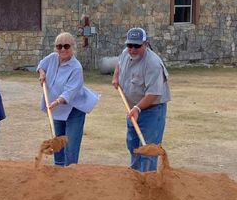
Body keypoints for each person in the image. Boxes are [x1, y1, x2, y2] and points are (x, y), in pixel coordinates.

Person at [112, 27, 171, 172]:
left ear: (145, 44)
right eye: (129, 45)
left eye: (137, 46)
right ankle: (136, 176)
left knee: (148, 148)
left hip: (152, 110)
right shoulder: (126, 54)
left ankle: (148, 179)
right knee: (133, 144)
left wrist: (138, 108)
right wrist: (116, 77)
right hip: (132, 108)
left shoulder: (153, 64)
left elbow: (154, 94)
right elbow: (119, 65)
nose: (132, 49)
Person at [37, 32, 99, 166]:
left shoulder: (76, 68)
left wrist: (57, 102)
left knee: (70, 143)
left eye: (66, 46)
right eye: (59, 46)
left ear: (73, 47)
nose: (63, 49)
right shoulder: (52, 58)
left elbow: (69, 93)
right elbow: (41, 65)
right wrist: (42, 73)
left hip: (73, 109)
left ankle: (70, 170)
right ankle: (59, 168)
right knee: (57, 140)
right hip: (57, 108)